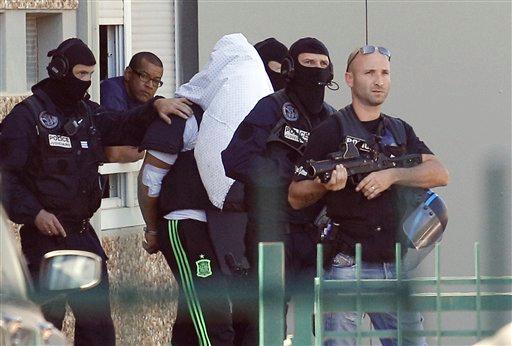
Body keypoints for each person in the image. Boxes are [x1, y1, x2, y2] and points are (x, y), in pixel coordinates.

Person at [0, 37, 192, 346]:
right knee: (46, 325)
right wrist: (34, 213)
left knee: (98, 328)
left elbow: (123, 123)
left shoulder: (87, 113)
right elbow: (5, 178)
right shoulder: (26, 118)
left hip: (81, 235)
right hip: (45, 238)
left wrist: (155, 106)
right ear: (60, 71)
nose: (86, 82)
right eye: (81, 74)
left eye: (91, 75)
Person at [288, 45, 450, 346]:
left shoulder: (399, 130)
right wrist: (327, 185)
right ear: (349, 79)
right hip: (346, 264)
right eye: (370, 72)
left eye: (385, 72)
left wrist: (391, 175)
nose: (379, 80)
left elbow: (440, 173)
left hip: (394, 263)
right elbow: (296, 195)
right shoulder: (330, 130)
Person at [221, 37, 337, 344]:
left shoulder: (332, 118)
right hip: (271, 232)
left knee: (317, 323)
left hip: (316, 235)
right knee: (261, 322)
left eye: (323, 64)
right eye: (308, 63)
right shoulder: (270, 108)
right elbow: (234, 159)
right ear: (289, 68)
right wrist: (290, 179)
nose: (316, 70)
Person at [100, 52, 168, 163]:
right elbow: (113, 153)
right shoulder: (112, 90)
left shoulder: (146, 101)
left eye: (156, 81)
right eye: (144, 76)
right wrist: (143, 152)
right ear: (128, 73)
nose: (150, 85)